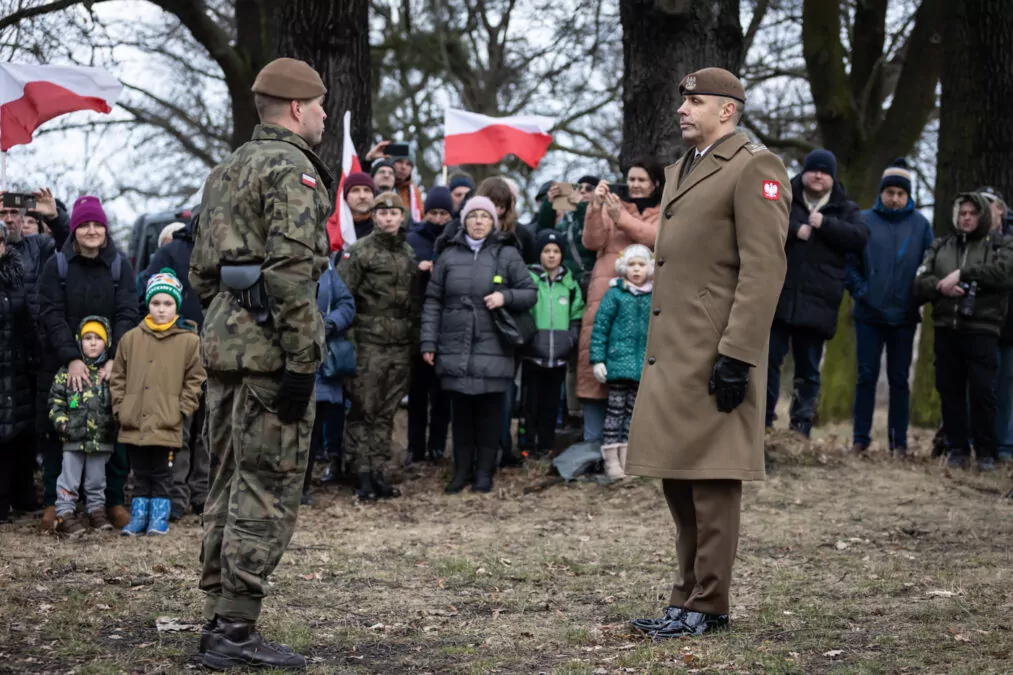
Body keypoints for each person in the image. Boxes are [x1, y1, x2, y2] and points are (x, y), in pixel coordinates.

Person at [626, 67, 790, 637]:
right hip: (675, 349)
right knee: (677, 475)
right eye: (683, 101)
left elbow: (764, 269)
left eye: (695, 101)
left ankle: (709, 602)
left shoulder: (755, 167)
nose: (682, 109)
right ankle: (685, 597)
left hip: (717, 350)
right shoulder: (683, 168)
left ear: (727, 110)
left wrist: (738, 354)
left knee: (713, 480)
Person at [188, 57, 333, 670]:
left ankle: (220, 616)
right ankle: (234, 629)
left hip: (226, 354)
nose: (323, 116)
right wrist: (302, 359)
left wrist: (232, 324)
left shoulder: (225, 171)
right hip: (272, 361)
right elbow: (291, 272)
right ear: (297, 107)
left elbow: (201, 273)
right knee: (267, 489)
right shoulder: (291, 169)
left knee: (227, 484)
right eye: (320, 106)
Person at [420, 196, 536, 493]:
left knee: (489, 415)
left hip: (493, 345)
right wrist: (429, 341)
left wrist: (504, 297)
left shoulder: (507, 254)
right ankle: (461, 471)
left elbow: (529, 292)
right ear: (464, 222)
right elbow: (433, 301)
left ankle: (485, 473)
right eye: (473, 216)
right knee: (460, 414)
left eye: (485, 216)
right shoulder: (448, 255)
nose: (479, 221)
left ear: (493, 222)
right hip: (455, 345)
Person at [38, 195, 138, 533]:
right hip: (63, 362)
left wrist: (114, 358)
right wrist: (71, 358)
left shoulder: (120, 266)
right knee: (59, 432)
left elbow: (128, 311)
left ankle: (112, 501)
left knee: (112, 428)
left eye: (97, 224)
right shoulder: (57, 266)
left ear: (106, 229)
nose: (92, 231)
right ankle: (55, 502)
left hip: (109, 364)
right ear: (74, 231)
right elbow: (50, 313)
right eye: (84, 225)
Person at [766, 149, 867, 438]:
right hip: (779, 295)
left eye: (825, 172)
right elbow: (762, 220)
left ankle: (801, 429)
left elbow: (860, 238)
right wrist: (794, 229)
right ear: (804, 172)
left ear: (832, 177)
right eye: (814, 170)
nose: (818, 176)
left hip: (819, 302)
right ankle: (763, 422)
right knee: (768, 362)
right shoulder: (783, 195)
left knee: (808, 369)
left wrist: (825, 225)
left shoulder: (846, 208)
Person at [914, 192, 1013, 471]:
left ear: (983, 215)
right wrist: (940, 287)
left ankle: (986, 452)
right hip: (946, 326)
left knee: (983, 392)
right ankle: (957, 449)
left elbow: (1004, 273)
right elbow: (920, 281)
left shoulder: (1001, 244)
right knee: (950, 389)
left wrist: (963, 274)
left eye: (972, 213)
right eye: (962, 213)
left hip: (983, 328)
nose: (966, 218)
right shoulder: (942, 244)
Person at [845, 159, 934, 454]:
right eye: (890, 192)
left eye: (900, 193)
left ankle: (899, 443)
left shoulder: (921, 226)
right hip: (868, 315)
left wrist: (918, 297)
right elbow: (849, 263)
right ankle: (860, 440)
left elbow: (930, 266)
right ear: (881, 193)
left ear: (908, 196)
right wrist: (861, 291)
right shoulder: (863, 221)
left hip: (905, 317)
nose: (895, 198)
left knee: (899, 380)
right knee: (866, 377)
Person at [338, 191, 419, 501]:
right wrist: (350, 343)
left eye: (394, 213)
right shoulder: (360, 252)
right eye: (382, 213)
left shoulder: (408, 254)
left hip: (399, 346)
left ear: (402, 217)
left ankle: (378, 471)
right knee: (363, 410)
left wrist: (413, 342)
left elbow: (414, 302)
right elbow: (344, 298)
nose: (388, 218)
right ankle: (360, 473)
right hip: (367, 345)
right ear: (374, 217)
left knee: (386, 412)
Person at [112, 269, 205, 535]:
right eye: (155, 303)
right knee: (139, 472)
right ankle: (139, 516)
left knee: (163, 472)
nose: (161, 309)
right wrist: (121, 407)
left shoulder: (189, 341)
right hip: (135, 418)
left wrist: (182, 409)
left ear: (177, 306)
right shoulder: (131, 339)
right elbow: (118, 377)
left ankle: (158, 517)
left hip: (168, 420)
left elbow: (195, 379)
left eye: (167, 303)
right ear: (147, 304)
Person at [579, 161, 662, 443]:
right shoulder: (612, 206)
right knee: (596, 364)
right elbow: (592, 241)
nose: (635, 184)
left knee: (636, 378)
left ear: (655, 184)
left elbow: (656, 238)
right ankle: (594, 445)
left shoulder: (662, 212)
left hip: (644, 301)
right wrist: (595, 208)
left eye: (641, 179)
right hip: (606, 293)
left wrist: (621, 218)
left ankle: (632, 447)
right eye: (631, 179)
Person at [3, 187, 69, 515]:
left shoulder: (38, 247)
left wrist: (56, 218)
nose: (9, 219)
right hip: (6, 353)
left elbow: (69, 246)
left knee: (30, 427)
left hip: (34, 351)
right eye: (2, 213)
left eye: (14, 213)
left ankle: (26, 491)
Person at [140, 214, 207, 520]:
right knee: (180, 425)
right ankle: (176, 494)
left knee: (209, 429)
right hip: (178, 352)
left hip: (220, 351)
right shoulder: (171, 252)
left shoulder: (229, 246)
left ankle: (204, 492)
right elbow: (148, 294)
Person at [48, 317, 116, 536]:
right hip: (73, 438)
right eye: (88, 338)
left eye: (98, 338)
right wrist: (63, 424)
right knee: (69, 478)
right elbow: (56, 402)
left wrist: (114, 424)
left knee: (97, 480)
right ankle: (64, 513)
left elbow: (120, 402)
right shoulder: (67, 372)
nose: (93, 343)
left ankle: (96, 511)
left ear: (107, 342)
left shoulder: (111, 374)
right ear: (79, 342)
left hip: (101, 439)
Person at [590, 244, 654, 479]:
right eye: (632, 264)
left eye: (641, 264)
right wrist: (598, 359)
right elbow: (601, 327)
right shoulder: (615, 294)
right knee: (615, 412)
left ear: (649, 268)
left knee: (633, 414)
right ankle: (611, 459)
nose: (636, 269)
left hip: (643, 366)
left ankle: (629, 458)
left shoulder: (654, 296)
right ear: (623, 267)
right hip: (618, 364)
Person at [520, 230, 585, 459]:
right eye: (546, 251)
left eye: (556, 251)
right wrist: (528, 339)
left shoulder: (570, 284)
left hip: (558, 355)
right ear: (539, 254)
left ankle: (546, 445)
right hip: (533, 355)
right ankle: (528, 446)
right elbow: (523, 312)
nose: (551, 255)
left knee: (551, 404)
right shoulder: (529, 279)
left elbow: (576, 315)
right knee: (530, 404)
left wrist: (570, 340)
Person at [302, 252, 355, 503]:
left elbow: (346, 303)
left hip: (320, 361)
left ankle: (302, 486)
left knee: (314, 424)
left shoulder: (327, 266)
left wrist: (331, 323)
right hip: (284, 355)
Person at [405, 187, 454, 464]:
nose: (438, 219)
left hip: (447, 324)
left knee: (442, 392)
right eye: (433, 213)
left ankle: (437, 444)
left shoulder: (456, 241)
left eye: (443, 213)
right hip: (418, 322)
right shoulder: (413, 239)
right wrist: (417, 269)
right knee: (417, 392)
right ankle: (415, 446)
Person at [0, 223, 38, 523]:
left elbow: (30, 322)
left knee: (17, 434)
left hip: (17, 369)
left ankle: (19, 495)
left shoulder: (18, 277)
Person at [981, 187, 1013, 462]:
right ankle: (976, 442)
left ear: (1000, 209)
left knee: (1005, 387)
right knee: (979, 386)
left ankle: (1004, 446)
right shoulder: (971, 239)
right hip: (979, 324)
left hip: (1009, 325)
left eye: (987, 203)